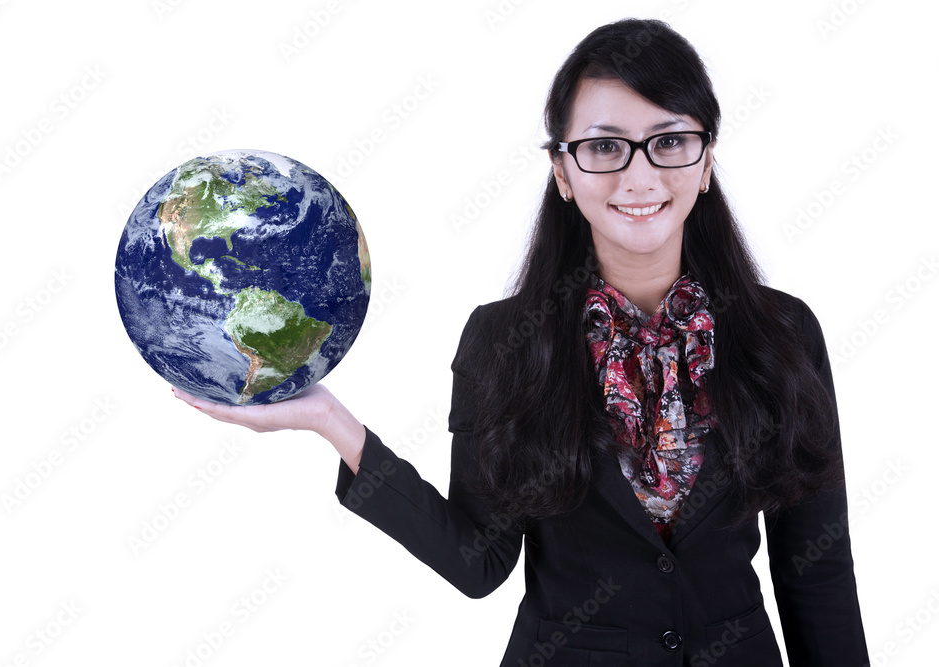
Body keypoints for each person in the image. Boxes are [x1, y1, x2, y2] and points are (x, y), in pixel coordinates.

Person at [173, 18, 869, 666]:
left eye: (669, 140)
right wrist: (332, 423)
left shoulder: (783, 333)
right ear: (562, 172)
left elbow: (818, 569)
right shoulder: (505, 340)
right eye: (603, 146)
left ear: (706, 159)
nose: (639, 174)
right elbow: (478, 560)